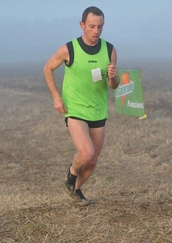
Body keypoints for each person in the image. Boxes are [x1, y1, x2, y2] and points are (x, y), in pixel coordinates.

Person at [43, 6, 120, 205]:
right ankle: (71, 174)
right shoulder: (69, 49)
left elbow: (113, 86)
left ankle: (75, 191)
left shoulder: (109, 50)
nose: (96, 31)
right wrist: (56, 97)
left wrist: (114, 77)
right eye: (92, 26)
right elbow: (47, 68)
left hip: (98, 110)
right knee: (86, 153)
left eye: (100, 27)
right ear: (82, 25)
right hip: (75, 109)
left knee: (93, 161)